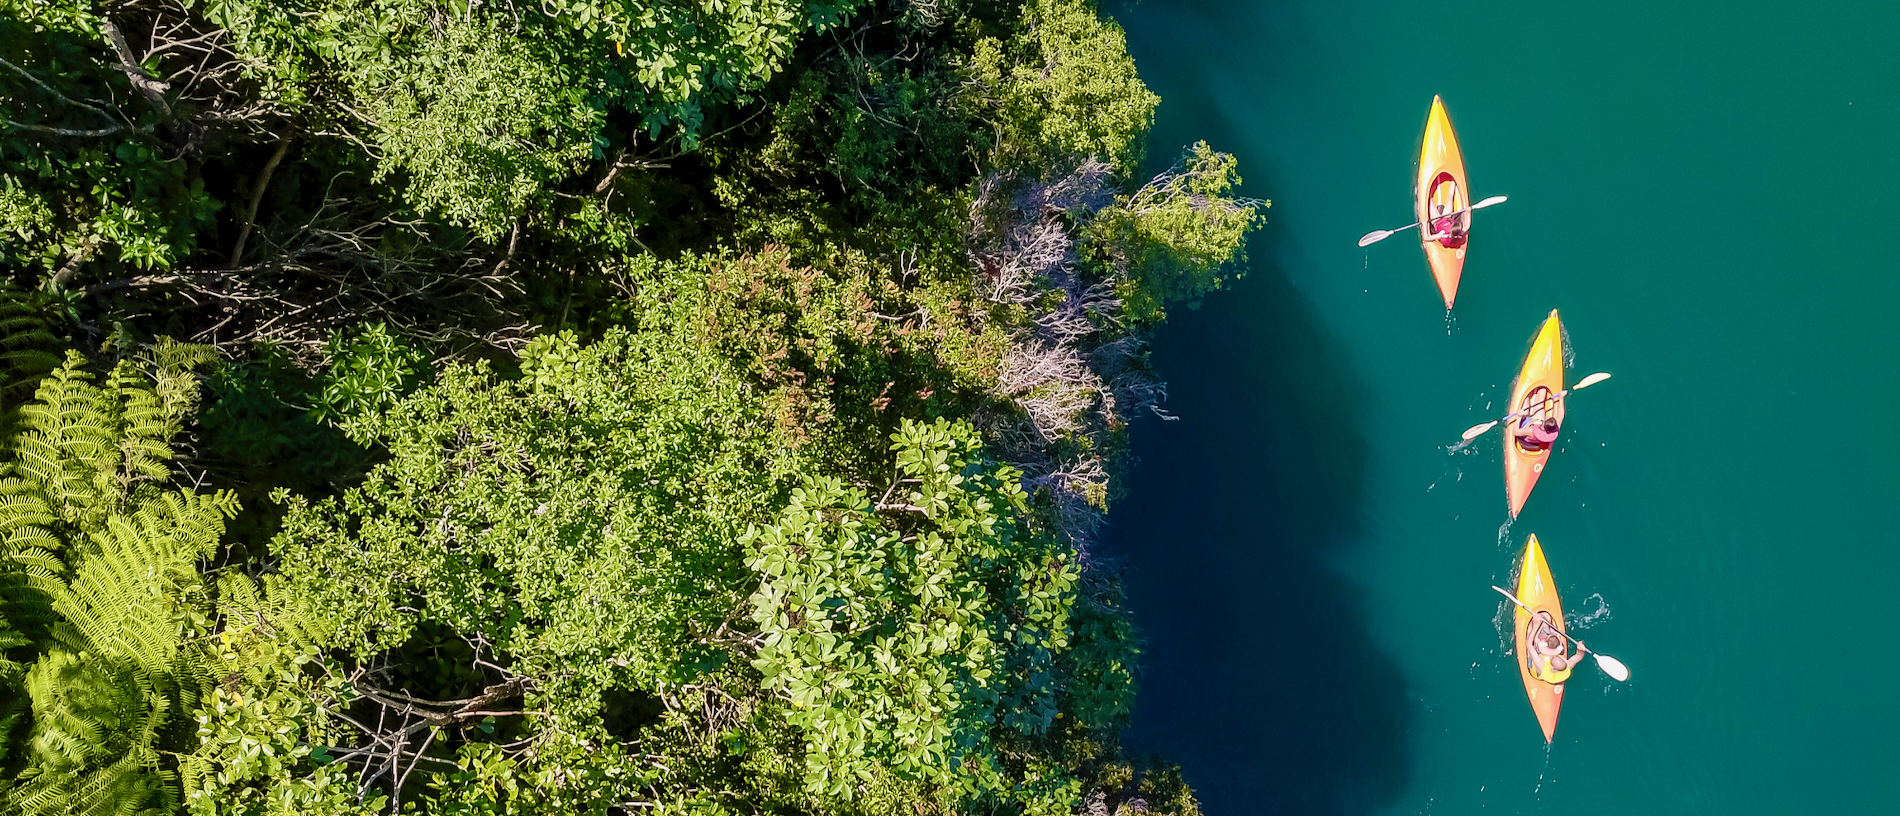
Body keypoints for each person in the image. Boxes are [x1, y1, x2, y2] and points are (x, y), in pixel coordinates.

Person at [1526, 610, 1585, 683]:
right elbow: (1579, 656)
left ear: (1553, 668)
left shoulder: (1542, 666)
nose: (1552, 656)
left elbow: (1529, 645)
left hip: (1535, 660)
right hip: (1544, 651)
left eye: (1552, 658)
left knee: (1530, 630)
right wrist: (1580, 649)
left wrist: (1536, 625)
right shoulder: (1568, 665)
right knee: (1546, 616)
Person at [1512, 386, 1560, 452]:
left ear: (1543, 425)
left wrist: (1519, 417)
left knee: (1526, 402)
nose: (1546, 416)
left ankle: (1528, 395)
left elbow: (1515, 432)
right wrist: (1562, 398)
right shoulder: (1554, 429)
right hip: (1535, 425)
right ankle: (1542, 386)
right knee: (1540, 402)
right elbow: (1561, 415)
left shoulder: (1531, 431)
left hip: (1525, 426)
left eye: (1545, 419)